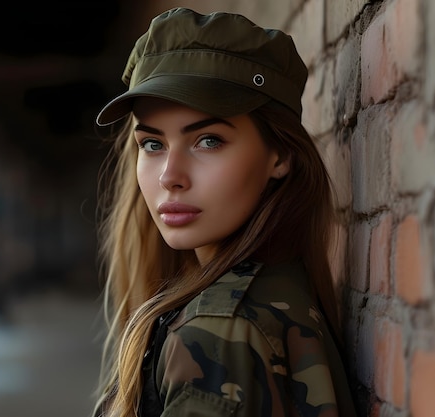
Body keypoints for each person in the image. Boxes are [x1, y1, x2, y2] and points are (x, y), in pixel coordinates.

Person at [92, 8, 357, 417]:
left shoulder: (218, 333)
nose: (170, 176)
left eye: (209, 140)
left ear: (281, 154)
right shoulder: (280, 292)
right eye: (152, 144)